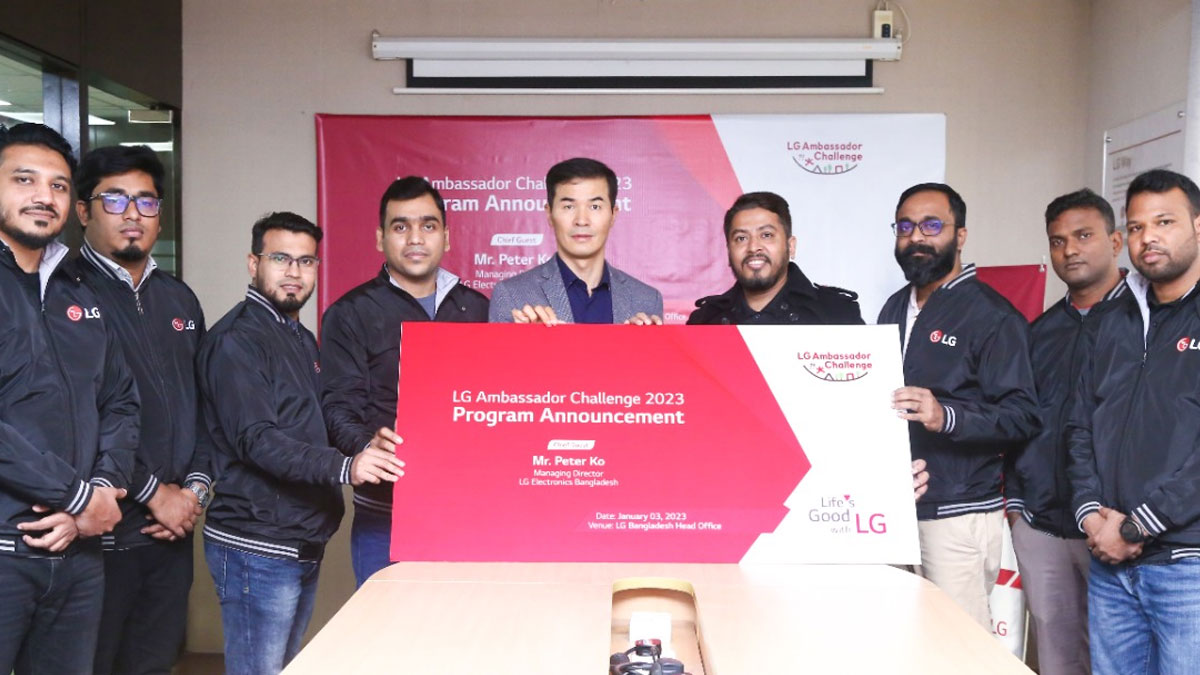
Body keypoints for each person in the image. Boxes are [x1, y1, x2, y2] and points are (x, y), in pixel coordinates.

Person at [197, 212, 406, 674]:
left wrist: (365, 445)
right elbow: (257, 441)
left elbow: (313, 422)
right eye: (280, 258)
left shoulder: (298, 336)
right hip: (256, 545)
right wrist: (347, 468)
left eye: (306, 261)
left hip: (299, 539)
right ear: (253, 263)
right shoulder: (238, 341)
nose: (294, 271)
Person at [69, 144, 212, 674]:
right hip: (98, 533)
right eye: (115, 199)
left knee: (153, 664)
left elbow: (204, 407)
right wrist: (155, 494)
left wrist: (192, 494)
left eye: (146, 201)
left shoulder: (179, 299)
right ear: (83, 211)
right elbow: (77, 418)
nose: (133, 214)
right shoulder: (63, 296)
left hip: (172, 536)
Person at [0, 123, 138, 673]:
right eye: (24, 179)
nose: (44, 195)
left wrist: (100, 492)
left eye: (58, 185)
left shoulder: (79, 289)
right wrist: (76, 497)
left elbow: (121, 402)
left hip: (80, 553)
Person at [689, 190, 929, 499]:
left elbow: (865, 408)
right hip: (727, 486)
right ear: (728, 251)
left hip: (817, 489)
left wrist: (891, 473)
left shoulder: (835, 312)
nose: (753, 247)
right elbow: (688, 417)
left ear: (790, 246)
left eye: (766, 235)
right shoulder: (704, 321)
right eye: (741, 238)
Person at [878, 182, 1040, 628]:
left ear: (960, 235)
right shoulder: (894, 306)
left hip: (957, 513)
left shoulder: (993, 315)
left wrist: (945, 415)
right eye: (905, 227)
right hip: (890, 509)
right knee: (896, 644)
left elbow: (1024, 416)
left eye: (932, 225)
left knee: (958, 648)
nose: (916, 237)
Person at [322, 177, 488, 586]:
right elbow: (337, 408)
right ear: (380, 238)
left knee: (468, 622)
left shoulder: (479, 310)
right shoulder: (349, 314)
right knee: (388, 625)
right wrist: (367, 445)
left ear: (446, 237)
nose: (415, 238)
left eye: (428, 225)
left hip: (470, 511)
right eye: (401, 226)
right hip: (386, 516)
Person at [1067, 169, 1200, 675]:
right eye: (1138, 227)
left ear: (1198, 225)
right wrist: (1090, 515)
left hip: (1187, 565)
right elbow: (1080, 423)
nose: (1149, 238)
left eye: (1165, 222)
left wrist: (1138, 524)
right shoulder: (1113, 317)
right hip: (1110, 561)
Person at [1006, 188, 1125, 675]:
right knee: (1056, 657)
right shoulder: (1039, 332)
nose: (1070, 250)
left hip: (1111, 528)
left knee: (1116, 659)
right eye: (1058, 241)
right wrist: (1017, 506)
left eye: (1083, 236)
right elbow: (1019, 420)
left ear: (1115, 242)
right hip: (1042, 525)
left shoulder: (1146, 322)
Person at [488, 157, 662, 325]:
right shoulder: (512, 295)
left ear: (613, 214)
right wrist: (529, 340)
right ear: (549, 214)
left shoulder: (646, 299)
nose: (581, 220)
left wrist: (640, 340)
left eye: (595, 206)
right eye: (568, 206)